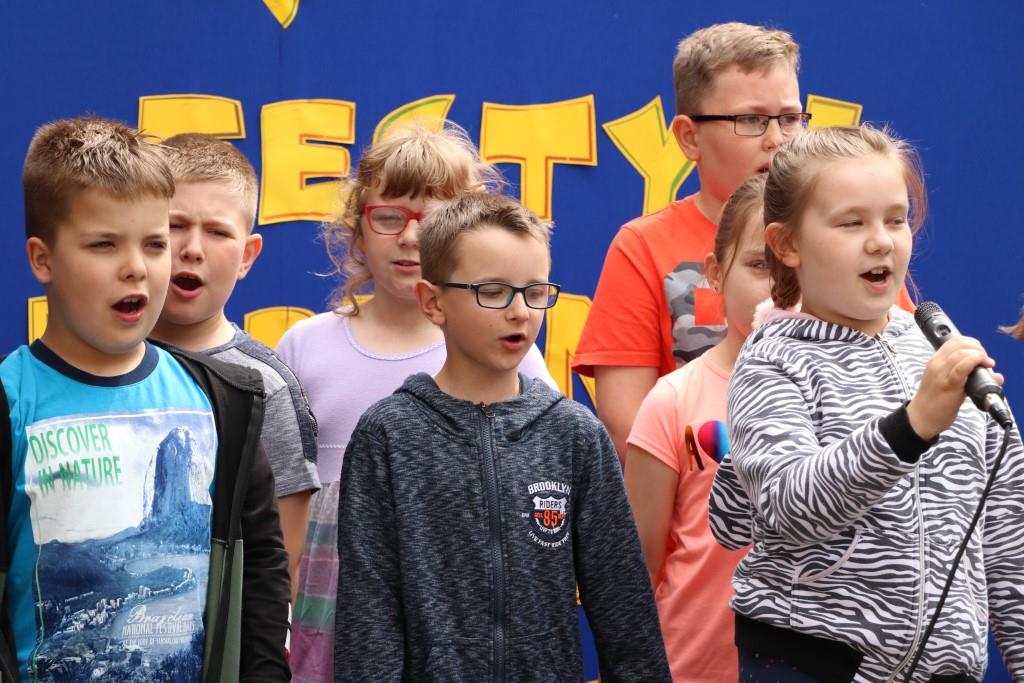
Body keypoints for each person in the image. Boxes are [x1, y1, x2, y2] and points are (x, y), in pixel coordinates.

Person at [708, 124, 1024, 681]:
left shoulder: (940, 350)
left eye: (896, 220)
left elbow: (1006, 535)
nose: (881, 241)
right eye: (852, 223)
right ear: (787, 245)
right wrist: (911, 426)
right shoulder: (772, 361)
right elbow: (787, 506)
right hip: (810, 662)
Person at [333, 192, 670, 681]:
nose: (520, 312)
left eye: (535, 292)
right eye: (493, 291)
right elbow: (369, 612)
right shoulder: (388, 434)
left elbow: (624, 607)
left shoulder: (575, 434)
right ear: (433, 301)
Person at [1, 116, 290, 681]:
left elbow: (261, 573)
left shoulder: (224, 401)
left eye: (155, 244)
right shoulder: (12, 402)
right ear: (42, 259)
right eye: (103, 244)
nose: (136, 267)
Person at [275, 123, 557, 682]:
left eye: (433, 219)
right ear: (358, 227)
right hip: (331, 607)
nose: (410, 237)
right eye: (389, 217)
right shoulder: (305, 346)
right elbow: (280, 500)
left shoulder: (508, 354)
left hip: (456, 604)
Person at [573, 22, 804, 463]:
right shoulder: (642, 246)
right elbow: (627, 428)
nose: (777, 139)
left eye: (790, 118)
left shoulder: (835, 235)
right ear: (689, 137)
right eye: (751, 120)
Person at [150, 132, 320, 603]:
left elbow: (278, 572)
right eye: (174, 225)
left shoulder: (267, 388)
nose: (193, 248)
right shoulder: (92, 362)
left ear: (247, 255)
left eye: (218, 232)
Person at [624, 175, 768, 682]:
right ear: (716, 273)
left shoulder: (850, 396)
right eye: (759, 265)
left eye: (797, 266)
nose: (780, 286)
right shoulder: (672, 399)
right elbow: (637, 571)